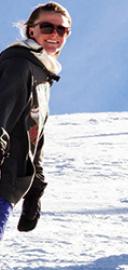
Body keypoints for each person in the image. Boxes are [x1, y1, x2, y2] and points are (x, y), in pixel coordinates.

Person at [0, 2, 71, 239]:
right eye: (47, 27)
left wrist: (35, 192)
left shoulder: (41, 73)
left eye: (61, 30)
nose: (54, 34)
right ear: (31, 30)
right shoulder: (19, 64)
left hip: (9, 186)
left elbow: (33, 139)